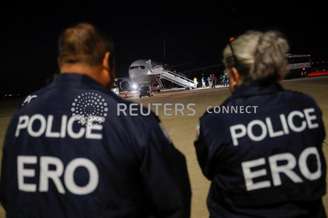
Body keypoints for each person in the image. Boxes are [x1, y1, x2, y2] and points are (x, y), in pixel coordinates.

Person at [0, 23, 191, 218]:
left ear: (61, 61)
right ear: (107, 60)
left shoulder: (21, 119)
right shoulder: (132, 119)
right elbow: (173, 199)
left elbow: (8, 195)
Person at [195, 31, 326, 218]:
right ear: (279, 70)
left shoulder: (216, 121)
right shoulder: (307, 106)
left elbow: (209, 169)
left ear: (233, 74)